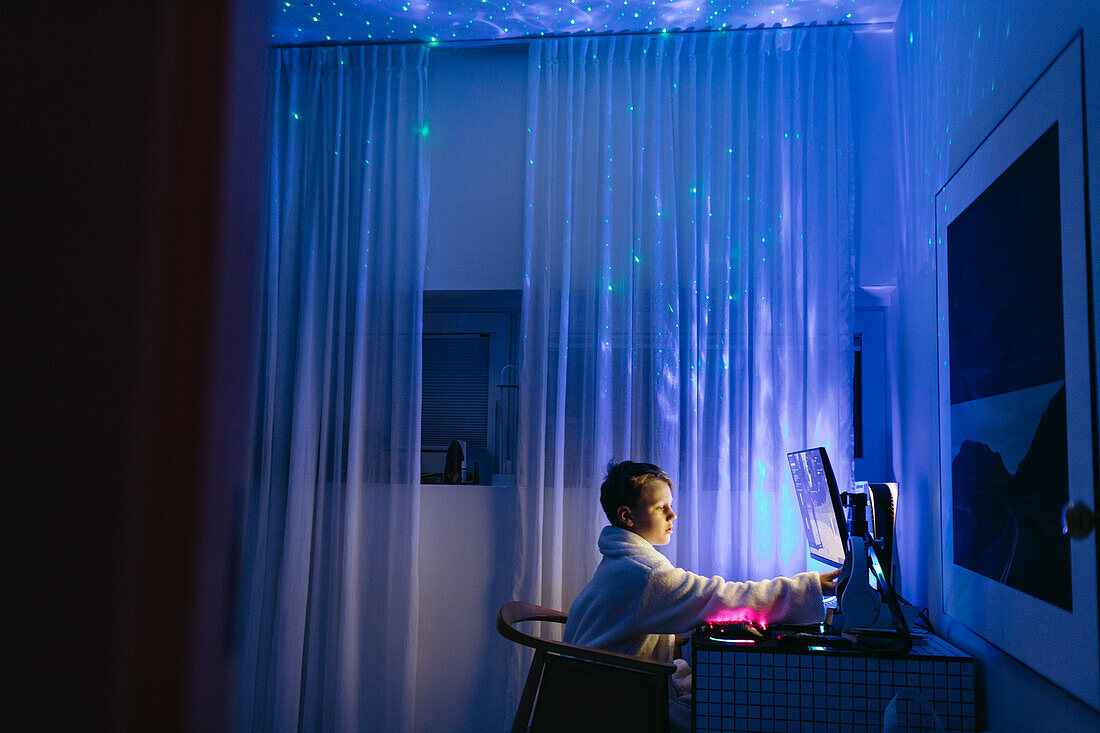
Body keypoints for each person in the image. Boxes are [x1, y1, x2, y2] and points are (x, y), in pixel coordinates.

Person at [563, 461, 840, 731]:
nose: (672, 516)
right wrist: (811, 586)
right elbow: (723, 597)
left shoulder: (622, 561)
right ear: (627, 516)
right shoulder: (644, 573)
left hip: (590, 688)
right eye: (661, 508)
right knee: (736, 714)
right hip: (609, 703)